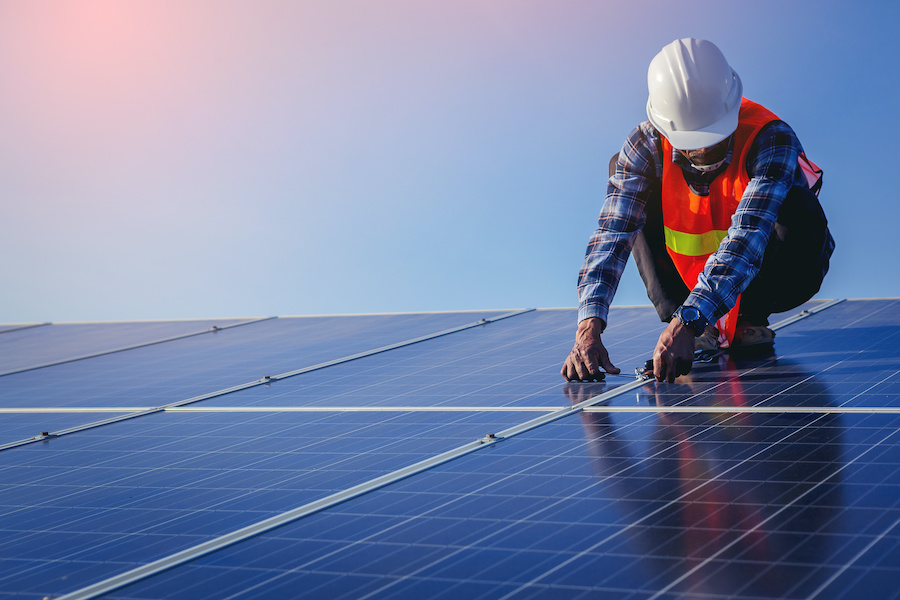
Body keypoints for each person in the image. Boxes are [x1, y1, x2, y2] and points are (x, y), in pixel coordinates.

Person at [560, 38, 834, 384]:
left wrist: (689, 320)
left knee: (796, 200)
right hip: (687, 285)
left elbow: (749, 235)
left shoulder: (772, 138)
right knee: (627, 186)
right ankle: (700, 320)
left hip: (775, 275)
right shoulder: (644, 147)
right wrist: (588, 325)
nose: (705, 147)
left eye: (715, 136)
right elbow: (612, 235)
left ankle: (749, 318)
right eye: (693, 142)